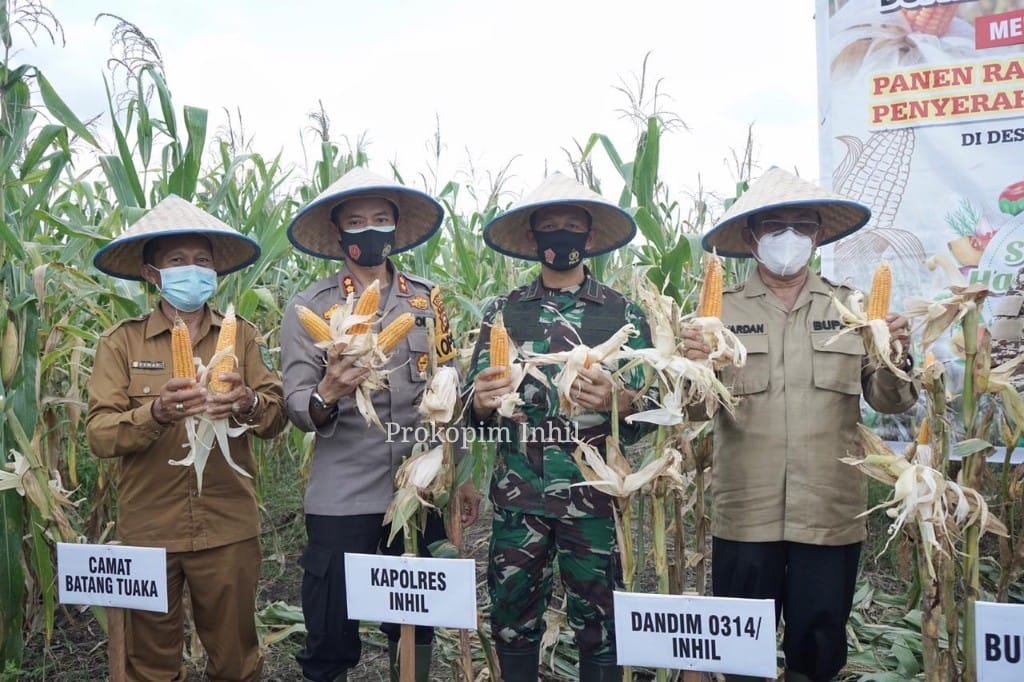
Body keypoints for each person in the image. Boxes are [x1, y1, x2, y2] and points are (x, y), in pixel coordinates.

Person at [681, 167, 918, 682]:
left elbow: (889, 401)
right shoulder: (715, 313)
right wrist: (695, 365)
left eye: (802, 224)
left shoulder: (852, 307)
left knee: (818, 645)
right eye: (773, 225)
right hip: (746, 511)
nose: (788, 236)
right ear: (750, 237)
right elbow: (695, 411)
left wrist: (897, 355)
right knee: (741, 650)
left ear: (817, 236)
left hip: (828, 511)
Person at [280, 166, 480, 682]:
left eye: (380, 219)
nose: (370, 229)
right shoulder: (311, 306)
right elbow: (298, 403)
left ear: (394, 228)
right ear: (339, 232)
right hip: (343, 488)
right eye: (357, 220)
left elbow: (449, 388)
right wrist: (330, 390)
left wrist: (462, 473)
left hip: (422, 482)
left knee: (416, 621)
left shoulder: (428, 301)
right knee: (330, 625)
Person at [86, 195, 287, 681]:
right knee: (151, 665)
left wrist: (245, 402)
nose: (191, 270)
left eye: (201, 260)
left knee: (236, 660)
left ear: (216, 271)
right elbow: (99, 433)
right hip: (150, 531)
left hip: (227, 527)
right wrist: (155, 412)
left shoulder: (242, 337)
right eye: (177, 261)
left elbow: (276, 416)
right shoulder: (121, 342)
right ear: (153, 274)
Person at [468, 173, 655, 682]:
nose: (560, 236)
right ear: (533, 239)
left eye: (571, 226)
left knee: (601, 622)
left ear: (589, 238)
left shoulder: (622, 313)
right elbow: (473, 413)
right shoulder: (502, 312)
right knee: (511, 617)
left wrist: (620, 401)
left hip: (592, 497)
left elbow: (654, 406)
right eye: (549, 227)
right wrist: (483, 405)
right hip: (518, 499)